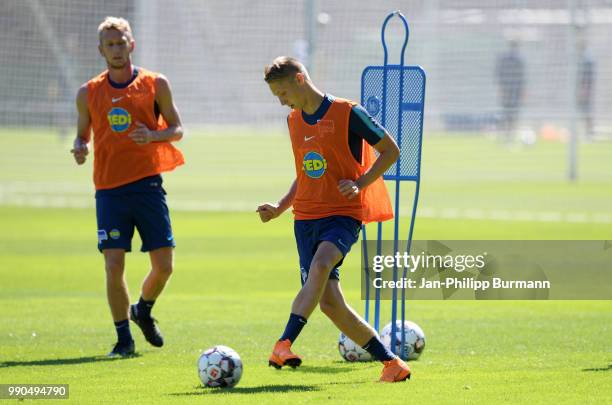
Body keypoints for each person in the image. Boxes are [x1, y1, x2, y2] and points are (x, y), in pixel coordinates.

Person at [257, 56, 410, 382]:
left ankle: (284, 343)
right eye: (277, 97)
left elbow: (392, 150)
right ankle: (392, 364)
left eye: (283, 93)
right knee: (330, 304)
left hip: (342, 214)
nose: (282, 102)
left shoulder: (347, 112)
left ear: (299, 80)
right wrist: (281, 207)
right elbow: (304, 173)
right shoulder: (294, 121)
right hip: (305, 218)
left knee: (322, 263)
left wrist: (361, 183)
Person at [70, 16, 184, 357]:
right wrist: (79, 147)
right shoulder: (88, 92)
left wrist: (153, 135)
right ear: (101, 49)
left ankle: (143, 309)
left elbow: (177, 129)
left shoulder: (155, 83)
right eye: (110, 44)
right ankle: (123, 339)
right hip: (109, 191)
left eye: (122, 42)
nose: (117, 49)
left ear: (131, 44)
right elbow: (82, 134)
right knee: (113, 265)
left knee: (164, 266)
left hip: (148, 186)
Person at [495, 40, 525, 141]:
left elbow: (498, 75)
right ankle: (510, 134)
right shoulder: (519, 60)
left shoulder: (503, 59)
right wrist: (523, 92)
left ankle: (506, 134)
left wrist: (500, 89)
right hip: (514, 90)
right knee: (513, 113)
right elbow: (522, 78)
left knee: (506, 112)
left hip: (506, 89)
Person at [576, 41, 595, 140]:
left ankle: (589, 133)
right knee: (584, 110)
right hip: (583, 89)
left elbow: (587, 77)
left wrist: (584, 90)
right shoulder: (584, 58)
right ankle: (587, 132)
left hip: (585, 90)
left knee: (586, 110)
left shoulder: (587, 59)